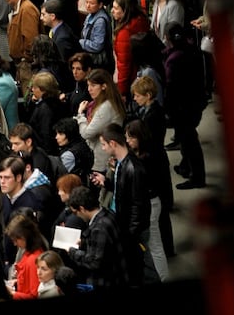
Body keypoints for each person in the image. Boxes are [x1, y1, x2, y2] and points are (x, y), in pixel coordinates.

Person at [92, 123, 154, 287]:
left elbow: (137, 206)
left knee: (143, 269)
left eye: (104, 144)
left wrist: (130, 235)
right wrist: (106, 182)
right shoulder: (121, 163)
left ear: (113, 143)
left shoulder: (133, 167)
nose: (103, 148)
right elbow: (122, 192)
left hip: (132, 231)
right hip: (123, 224)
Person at [163, 22, 208, 189]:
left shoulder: (174, 59)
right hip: (196, 101)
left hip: (183, 106)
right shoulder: (193, 50)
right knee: (187, 137)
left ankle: (197, 177)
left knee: (189, 140)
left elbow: (171, 86)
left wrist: (167, 109)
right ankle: (185, 166)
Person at [124, 118, 169, 281]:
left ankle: (162, 278)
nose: (128, 141)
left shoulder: (147, 158)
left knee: (155, 245)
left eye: (131, 137)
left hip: (150, 203)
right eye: (126, 137)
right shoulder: (145, 153)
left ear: (140, 137)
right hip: (150, 202)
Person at [64, 185, 128, 291]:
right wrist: (84, 243)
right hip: (118, 275)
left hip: (107, 281)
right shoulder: (108, 213)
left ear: (82, 208)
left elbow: (94, 262)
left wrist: (72, 251)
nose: (76, 216)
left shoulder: (99, 228)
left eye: (75, 212)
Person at [74, 68, 126, 172]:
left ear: (104, 86)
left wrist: (80, 115)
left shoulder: (106, 107)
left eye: (93, 85)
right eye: (88, 85)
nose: (89, 89)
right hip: (102, 156)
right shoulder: (101, 103)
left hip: (103, 160)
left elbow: (87, 133)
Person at [2, 0, 41, 96]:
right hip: (21, 65)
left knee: (30, 98)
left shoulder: (27, 9)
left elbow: (31, 40)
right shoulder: (18, 9)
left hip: (28, 66)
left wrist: (25, 59)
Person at [111, 0, 150, 100]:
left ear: (125, 10)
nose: (112, 11)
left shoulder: (124, 32)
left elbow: (124, 64)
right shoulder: (141, 20)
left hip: (132, 80)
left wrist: (122, 91)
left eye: (116, 8)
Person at [4, 214, 47, 299]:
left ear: (24, 237)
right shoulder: (29, 252)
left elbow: (34, 295)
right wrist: (17, 282)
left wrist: (12, 294)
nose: (14, 244)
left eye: (16, 240)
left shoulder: (33, 259)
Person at [28, 70, 70, 155]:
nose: (32, 90)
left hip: (45, 152)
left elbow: (45, 134)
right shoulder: (57, 102)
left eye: (35, 87)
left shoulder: (45, 109)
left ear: (43, 90)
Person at [79, 0, 115, 75]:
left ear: (100, 5)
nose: (88, 5)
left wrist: (81, 42)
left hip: (100, 63)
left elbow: (97, 46)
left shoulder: (100, 21)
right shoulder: (90, 15)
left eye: (91, 3)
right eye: (86, 2)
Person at [53, 117, 94, 184]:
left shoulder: (69, 155)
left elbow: (59, 176)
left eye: (60, 134)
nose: (56, 137)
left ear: (69, 135)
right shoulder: (82, 143)